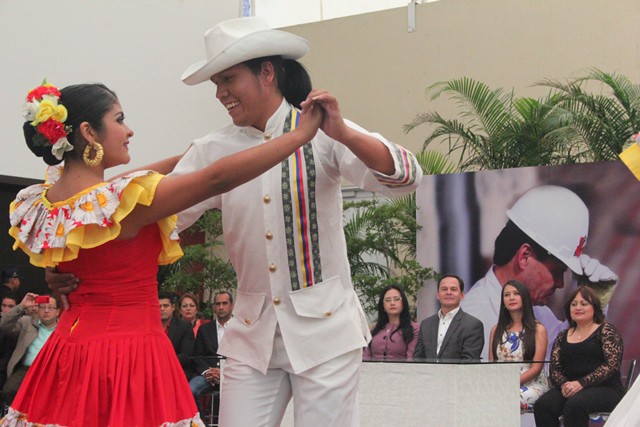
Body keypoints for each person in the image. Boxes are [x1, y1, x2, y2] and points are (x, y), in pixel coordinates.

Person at [2, 78, 323, 427]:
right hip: (128, 354)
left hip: (68, 351)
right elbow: (214, 179)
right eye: (119, 119)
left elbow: (128, 182)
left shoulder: (48, 201)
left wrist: (198, 150)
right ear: (88, 132)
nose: (129, 130)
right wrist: (298, 136)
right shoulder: (122, 203)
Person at [174, 17, 422, 427]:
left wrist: (344, 133)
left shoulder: (321, 128)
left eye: (228, 79)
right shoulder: (212, 149)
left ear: (266, 72)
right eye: (215, 83)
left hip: (326, 333)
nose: (220, 93)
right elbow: (162, 217)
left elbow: (406, 177)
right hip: (251, 336)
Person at [461, 185, 619, 360]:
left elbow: (568, 357)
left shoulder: (537, 313)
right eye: (557, 271)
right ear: (525, 256)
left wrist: (595, 306)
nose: (560, 284)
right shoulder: (474, 320)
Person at [534, 286, 624, 427]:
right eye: (574, 304)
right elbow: (555, 368)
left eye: (584, 304)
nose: (578, 307)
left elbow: (611, 365)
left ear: (594, 307)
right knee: (543, 405)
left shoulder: (606, 330)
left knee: (574, 405)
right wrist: (564, 384)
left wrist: (581, 383)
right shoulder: (563, 335)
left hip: (606, 389)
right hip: (571, 387)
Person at [489, 280, 549, 413]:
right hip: (501, 384)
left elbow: (536, 369)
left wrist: (509, 383)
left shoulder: (538, 329)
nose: (511, 298)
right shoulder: (496, 330)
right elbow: (491, 364)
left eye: (516, 294)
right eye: (507, 295)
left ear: (525, 298)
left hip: (531, 384)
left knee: (506, 399)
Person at [0, 293, 59, 405]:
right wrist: (22, 306)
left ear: (58, 312)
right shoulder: (27, 322)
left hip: (50, 370)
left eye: (50, 308)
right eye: (42, 307)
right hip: (26, 369)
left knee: (47, 398)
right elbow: (4, 325)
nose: (46, 311)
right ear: (37, 309)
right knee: (8, 391)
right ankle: (21, 416)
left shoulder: (63, 329)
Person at [413, 275, 484, 361]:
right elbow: (418, 358)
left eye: (453, 289)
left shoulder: (473, 325)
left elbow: (469, 362)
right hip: (428, 374)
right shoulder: (426, 324)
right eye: (444, 289)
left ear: (462, 295)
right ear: (438, 295)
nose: (448, 292)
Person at [189, 290, 235, 420]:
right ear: (214, 307)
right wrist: (207, 371)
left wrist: (223, 371)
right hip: (208, 374)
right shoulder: (205, 329)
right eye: (218, 304)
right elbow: (197, 355)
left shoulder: (240, 329)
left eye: (224, 303)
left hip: (233, 374)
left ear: (232, 305)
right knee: (191, 391)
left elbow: (244, 355)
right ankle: (203, 423)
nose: (221, 307)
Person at [363, 285, 419, 361]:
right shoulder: (374, 330)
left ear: (403, 303)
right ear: (383, 306)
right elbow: (366, 357)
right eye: (388, 300)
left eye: (396, 299)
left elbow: (411, 359)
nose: (392, 303)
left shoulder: (414, 329)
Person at [160, 291, 195, 380]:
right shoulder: (150, 328)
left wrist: (163, 362)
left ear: (173, 307)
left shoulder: (184, 327)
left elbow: (186, 355)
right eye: (159, 306)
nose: (162, 309)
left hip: (177, 369)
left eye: (166, 306)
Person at [0, 295, 18, 393]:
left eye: (11, 306)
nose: (6, 309)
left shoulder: (19, 326)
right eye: (4, 305)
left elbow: (7, 357)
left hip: (6, 370)